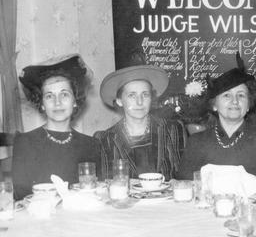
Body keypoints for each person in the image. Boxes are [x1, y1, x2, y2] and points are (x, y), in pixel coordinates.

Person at [176, 57, 256, 187]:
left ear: (248, 105)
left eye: (241, 95)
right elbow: (185, 184)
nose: (235, 101)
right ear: (214, 105)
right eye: (227, 95)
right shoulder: (197, 142)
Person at [12, 54, 101, 200]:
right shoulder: (24, 142)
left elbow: (96, 193)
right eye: (49, 96)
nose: (57, 102)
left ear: (75, 100)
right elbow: (21, 197)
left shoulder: (91, 145)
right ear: (41, 104)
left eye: (64, 94)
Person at [95, 65, 185, 180]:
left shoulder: (173, 129)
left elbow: (184, 178)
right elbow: (107, 185)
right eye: (132, 95)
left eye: (145, 94)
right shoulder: (105, 139)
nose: (139, 102)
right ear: (119, 101)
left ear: (151, 98)